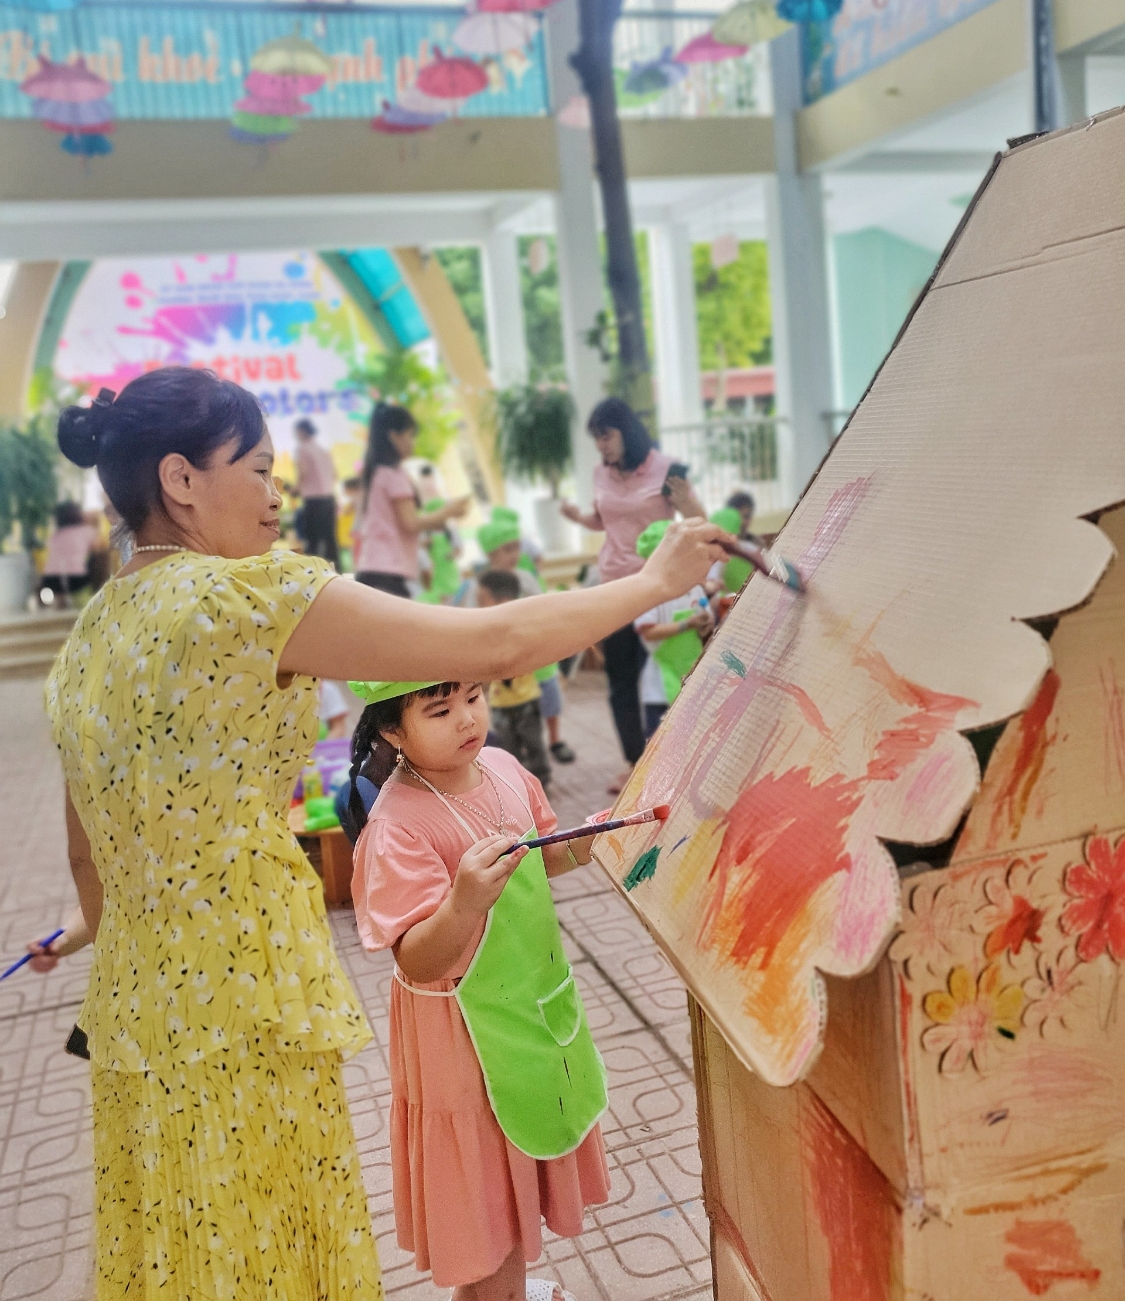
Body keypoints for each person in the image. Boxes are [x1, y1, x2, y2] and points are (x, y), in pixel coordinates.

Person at [38, 366, 732, 1301]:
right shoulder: (241, 599)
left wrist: (88, 928)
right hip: (245, 988)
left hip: (138, 1001)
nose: (278, 494)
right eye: (258, 469)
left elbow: (89, 848)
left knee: (191, 1239)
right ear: (181, 479)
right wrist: (652, 582)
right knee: (274, 1236)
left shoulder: (88, 636)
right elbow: (491, 644)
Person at [347, 676, 608, 1301]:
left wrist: (586, 843)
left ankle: (506, 1287)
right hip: (461, 1036)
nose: (467, 719)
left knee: (518, 1161)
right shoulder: (398, 825)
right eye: (440, 710)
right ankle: (497, 1291)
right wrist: (463, 903)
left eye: (473, 697)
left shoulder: (505, 769)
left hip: (530, 1004)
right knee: (484, 1199)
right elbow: (417, 958)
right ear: (392, 731)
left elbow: (541, 856)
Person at [560, 398, 705, 788]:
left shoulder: (665, 468)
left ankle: (677, 756)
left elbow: (698, 520)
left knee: (665, 674)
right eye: (596, 438)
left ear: (627, 431)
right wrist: (577, 518)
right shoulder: (600, 473)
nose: (601, 445)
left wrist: (686, 501)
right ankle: (634, 762)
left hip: (658, 586)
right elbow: (603, 519)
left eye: (606, 436)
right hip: (615, 587)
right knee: (621, 679)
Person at [466, 512, 576, 764]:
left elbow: (542, 609)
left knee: (549, 699)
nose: (514, 554)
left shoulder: (526, 578)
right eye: (507, 549)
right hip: (506, 659)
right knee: (511, 708)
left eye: (517, 547)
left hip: (537, 655)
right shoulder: (481, 586)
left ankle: (555, 741)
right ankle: (517, 751)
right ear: (491, 553)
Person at [356, 402, 469, 598]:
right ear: (394, 436)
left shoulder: (376, 473)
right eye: (410, 436)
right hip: (388, 570)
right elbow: (410, 522)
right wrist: (448, 511)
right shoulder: (393, 473)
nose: (412, 443)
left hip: (374, 568)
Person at [633, 520, 713, 739]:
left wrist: (704, 625)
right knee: (663, 744)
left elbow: (705, 626)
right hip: (661, 684)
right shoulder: (650, 593)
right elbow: (648, 631)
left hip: (694, 673)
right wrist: (686, 624)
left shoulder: (694, 587)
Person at [475, 568, 552, 790]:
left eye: (483, 600)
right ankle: (517, 786)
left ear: (503, 601)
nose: (479, 606)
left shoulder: (520, 630)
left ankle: (542, 783)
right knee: (508, 749)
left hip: (526, 700)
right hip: (500, 703)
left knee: (534, 744)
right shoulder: (486, 633)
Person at [292, 417, 339, 567]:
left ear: (302, 431)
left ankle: (313, 572)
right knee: (330, 539)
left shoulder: (303, 449)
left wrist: (295, 489)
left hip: (314, 501)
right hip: (329, 499)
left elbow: (303, 473)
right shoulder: (323, 451)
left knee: (313, 540)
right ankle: (336, 570)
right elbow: (335, 474)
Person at [39, 501, 102, 607]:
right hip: (77, 578)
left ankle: (60, 601)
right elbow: (99, 548)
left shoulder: (55, 535)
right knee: (96, 560)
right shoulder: (87, 531)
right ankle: (85, 599)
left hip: (51, 579)